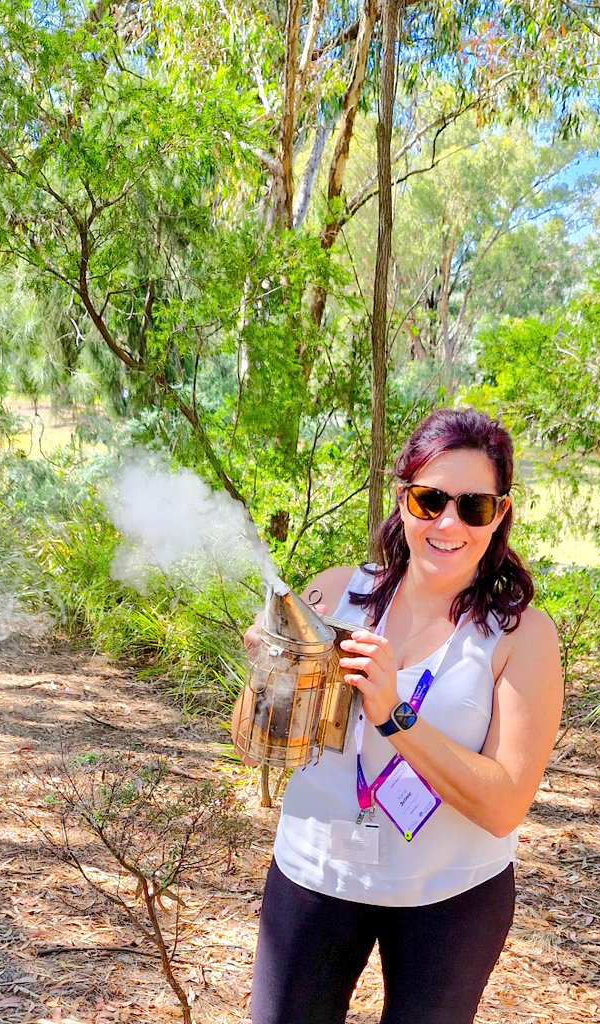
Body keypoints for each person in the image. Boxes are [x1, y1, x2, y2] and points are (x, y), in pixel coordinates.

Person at [234, 408, 563, 1024]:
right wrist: (272, 669)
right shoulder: (335, 593)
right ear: (402, 499)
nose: (448, 523)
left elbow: (504, 804)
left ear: (501, 515)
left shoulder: (521, 636)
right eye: (429, 498)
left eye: (474, 507)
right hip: (314, 877)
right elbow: (253, 742)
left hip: (451, 896)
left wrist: (394, 716)